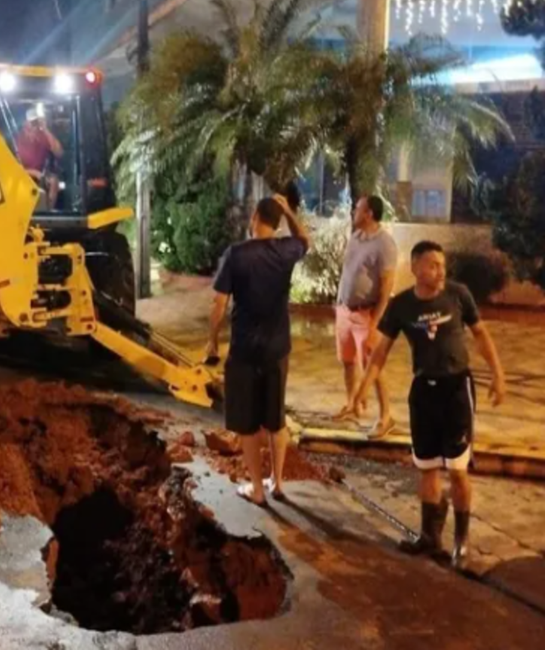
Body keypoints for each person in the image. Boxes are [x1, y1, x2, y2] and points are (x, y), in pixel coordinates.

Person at [340, 241, 506, 568]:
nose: (440, 271)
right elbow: (380, 353)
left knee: (458, 470)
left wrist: (498, 374)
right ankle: (429, 536)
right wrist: (361, 391)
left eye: (442, 265)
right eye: (432, 264)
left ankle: (461, 540)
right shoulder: (402, 305)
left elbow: (481, 335)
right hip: (423, 392)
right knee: (427, 467)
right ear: (415, 268)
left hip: (456, 389)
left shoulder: (458, 295)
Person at [207, 184, 311, 506]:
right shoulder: (286, 250)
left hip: (244, 353)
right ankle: (278, 483)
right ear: (277, 223)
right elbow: (305, 241)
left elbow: (219, 306)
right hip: (278, 349)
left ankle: (257, 489)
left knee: (249, 425)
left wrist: (212, 342)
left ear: (254, 217)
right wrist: (290, 211)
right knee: (276, 420)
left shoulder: (236, 255)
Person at [335, 195, 398, 439]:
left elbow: (386, 287)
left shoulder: (385, 244)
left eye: (358, 208)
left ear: (369, 213)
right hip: (344, 311)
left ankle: (386, 416)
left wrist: (375, 324)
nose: (354, 211)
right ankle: (352, 405)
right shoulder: (356, 237)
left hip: (366, 314)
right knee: (348, 361)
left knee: (374, 366)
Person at [16, 107, 63, 208]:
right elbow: (12, 167)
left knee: (54, 181)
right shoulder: (17, 140)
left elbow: (59, 152)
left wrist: (45, 129)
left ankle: (48, 212)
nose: (35, 126)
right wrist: (33, 172)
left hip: (40, 177)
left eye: (36, 122)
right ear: (25, 124)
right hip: (19, 176)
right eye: (32, 122)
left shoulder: (42, 137)